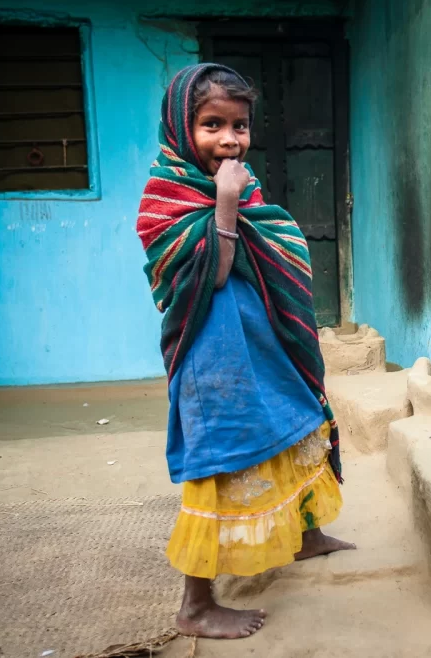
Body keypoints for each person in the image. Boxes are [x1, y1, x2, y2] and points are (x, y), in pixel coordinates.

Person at [136, 63, 355, 640]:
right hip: (214, 363)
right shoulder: (165, 195)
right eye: (212, 125)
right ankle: (195, 604)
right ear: (183, 128)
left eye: (240, 125)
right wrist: (224, 204)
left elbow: (274, 254)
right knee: (222, 461)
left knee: (298, 426)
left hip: (264, 344)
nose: (230, 139)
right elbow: (211, 275)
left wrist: (234, 197)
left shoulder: (243, 180)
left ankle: (305, 537)